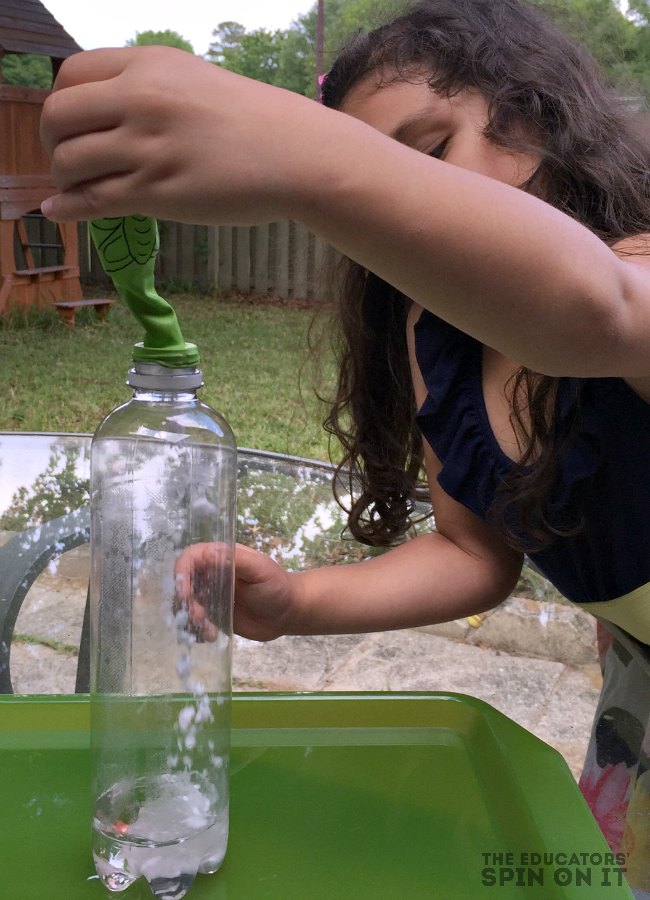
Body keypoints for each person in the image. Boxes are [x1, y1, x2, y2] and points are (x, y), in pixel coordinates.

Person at [40, 0, 650, 893]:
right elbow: (471, 553)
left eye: (427, 153)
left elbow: (600, 312)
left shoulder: (632, 275)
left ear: (543, 119)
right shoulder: (437, 339)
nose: (396, 202)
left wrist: (297, 154)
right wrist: (296, 603)